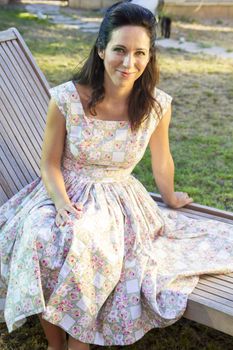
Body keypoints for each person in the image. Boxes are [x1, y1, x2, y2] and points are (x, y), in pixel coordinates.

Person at [0, 1, 233, 350]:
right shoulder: (66, 99)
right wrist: (61, 204)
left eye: (140, 53)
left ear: (149, 56)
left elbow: (162, 158)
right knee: (42, 235)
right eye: (120, 50)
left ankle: (79, 341)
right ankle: (54, 342)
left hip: (119, 201)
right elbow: (49, 163)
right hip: (64, 189)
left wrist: (170, 198)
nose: (129, 63)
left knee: (89, 243)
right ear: (101, 50)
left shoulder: (155, 105)